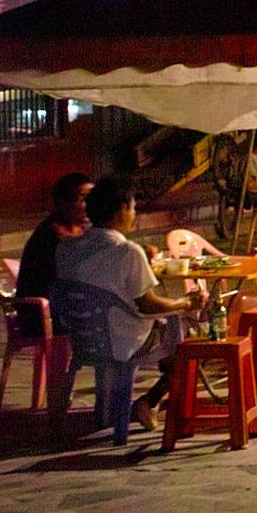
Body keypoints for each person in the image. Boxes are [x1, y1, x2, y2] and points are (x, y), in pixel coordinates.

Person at [53, 176, 205, 431]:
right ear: (122, 209)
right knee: (193, 339)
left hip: (83, 338)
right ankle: (151, 399)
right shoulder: (127, 251)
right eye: (133, 208)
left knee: (172, 330)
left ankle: (123, 406)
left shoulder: (66, 247)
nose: (134, 214)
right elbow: (148, 304)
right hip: (123, 340)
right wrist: (185, 302)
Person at [16, 172, 92, 306]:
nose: (92, 204)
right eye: (84, 199)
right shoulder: (49, 236)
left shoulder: (86, 229)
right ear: (62, 203)